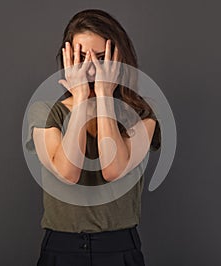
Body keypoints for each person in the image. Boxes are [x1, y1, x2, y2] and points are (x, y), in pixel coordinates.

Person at [25, 8, 161, 266]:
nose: (91, 70)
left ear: (118, 60)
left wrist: (104, 96)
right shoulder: (43, 111)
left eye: (101, 58)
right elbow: (67, 172)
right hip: (60, 247)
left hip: (119, 247)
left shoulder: (143, 114)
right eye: (80, 59)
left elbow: (113, 169)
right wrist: (79, 100)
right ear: (67, 59)